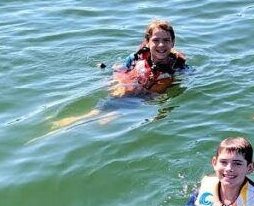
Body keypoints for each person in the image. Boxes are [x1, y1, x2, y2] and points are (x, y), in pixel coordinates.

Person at [51, 19, 187, 129]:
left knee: (113, 111)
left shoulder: (178, 66)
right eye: (156, 40)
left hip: (141, 99)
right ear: (147, 42)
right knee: (111, 102)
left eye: (166, 40)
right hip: (127, 87)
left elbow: (185, 81)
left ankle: (98, 116)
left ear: (173, 42)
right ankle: (82, 119)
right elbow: (121, 71)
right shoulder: (135, 58)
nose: (161, 45)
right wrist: (116, 83)